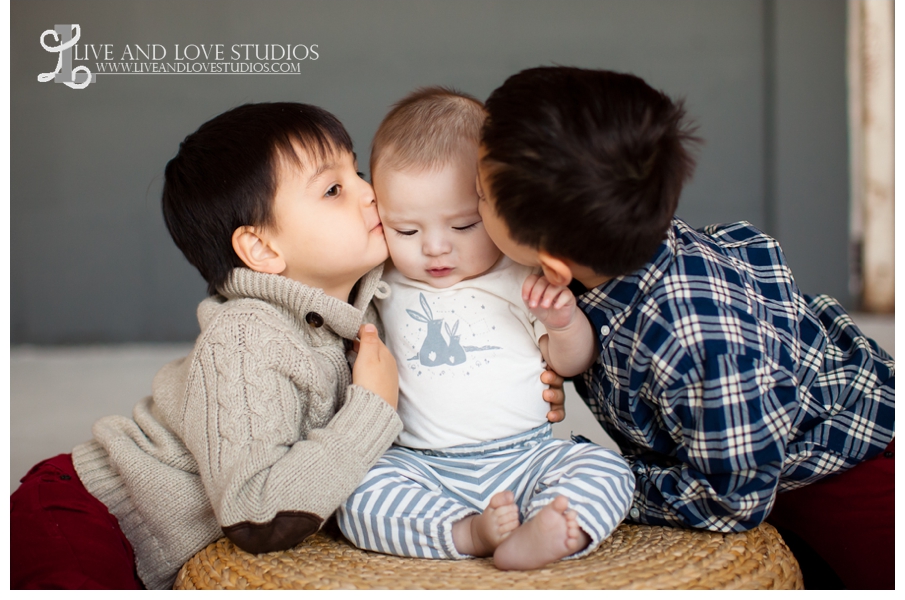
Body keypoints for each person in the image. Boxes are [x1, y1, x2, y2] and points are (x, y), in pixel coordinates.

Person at [476, 66, 895, 589]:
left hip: (853, 477)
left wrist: (615, 481)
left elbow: (734, 499)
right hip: (741, 432)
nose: (472, 203)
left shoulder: (696, 342)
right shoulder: (615, 247)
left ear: (553, 264)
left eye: (480, 199)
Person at [10, 102, 406, 589]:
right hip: (84, 512)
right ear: (262, 250)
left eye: (358, 172)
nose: (370, 193)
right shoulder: (245, 338)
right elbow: (256, 512)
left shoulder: (367, 296)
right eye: (333, 190)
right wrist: (371, 408)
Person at [337, 88, 634, 571]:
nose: (435, 248)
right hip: (422, 466)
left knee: (607, 468)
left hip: (529, 457)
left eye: (464, 226)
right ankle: (465, 533)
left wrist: (564, 322)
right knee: (357, 496)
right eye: (407, 230)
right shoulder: (381, 282)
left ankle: (552, 526)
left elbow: (571, 362)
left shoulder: (521, 278)